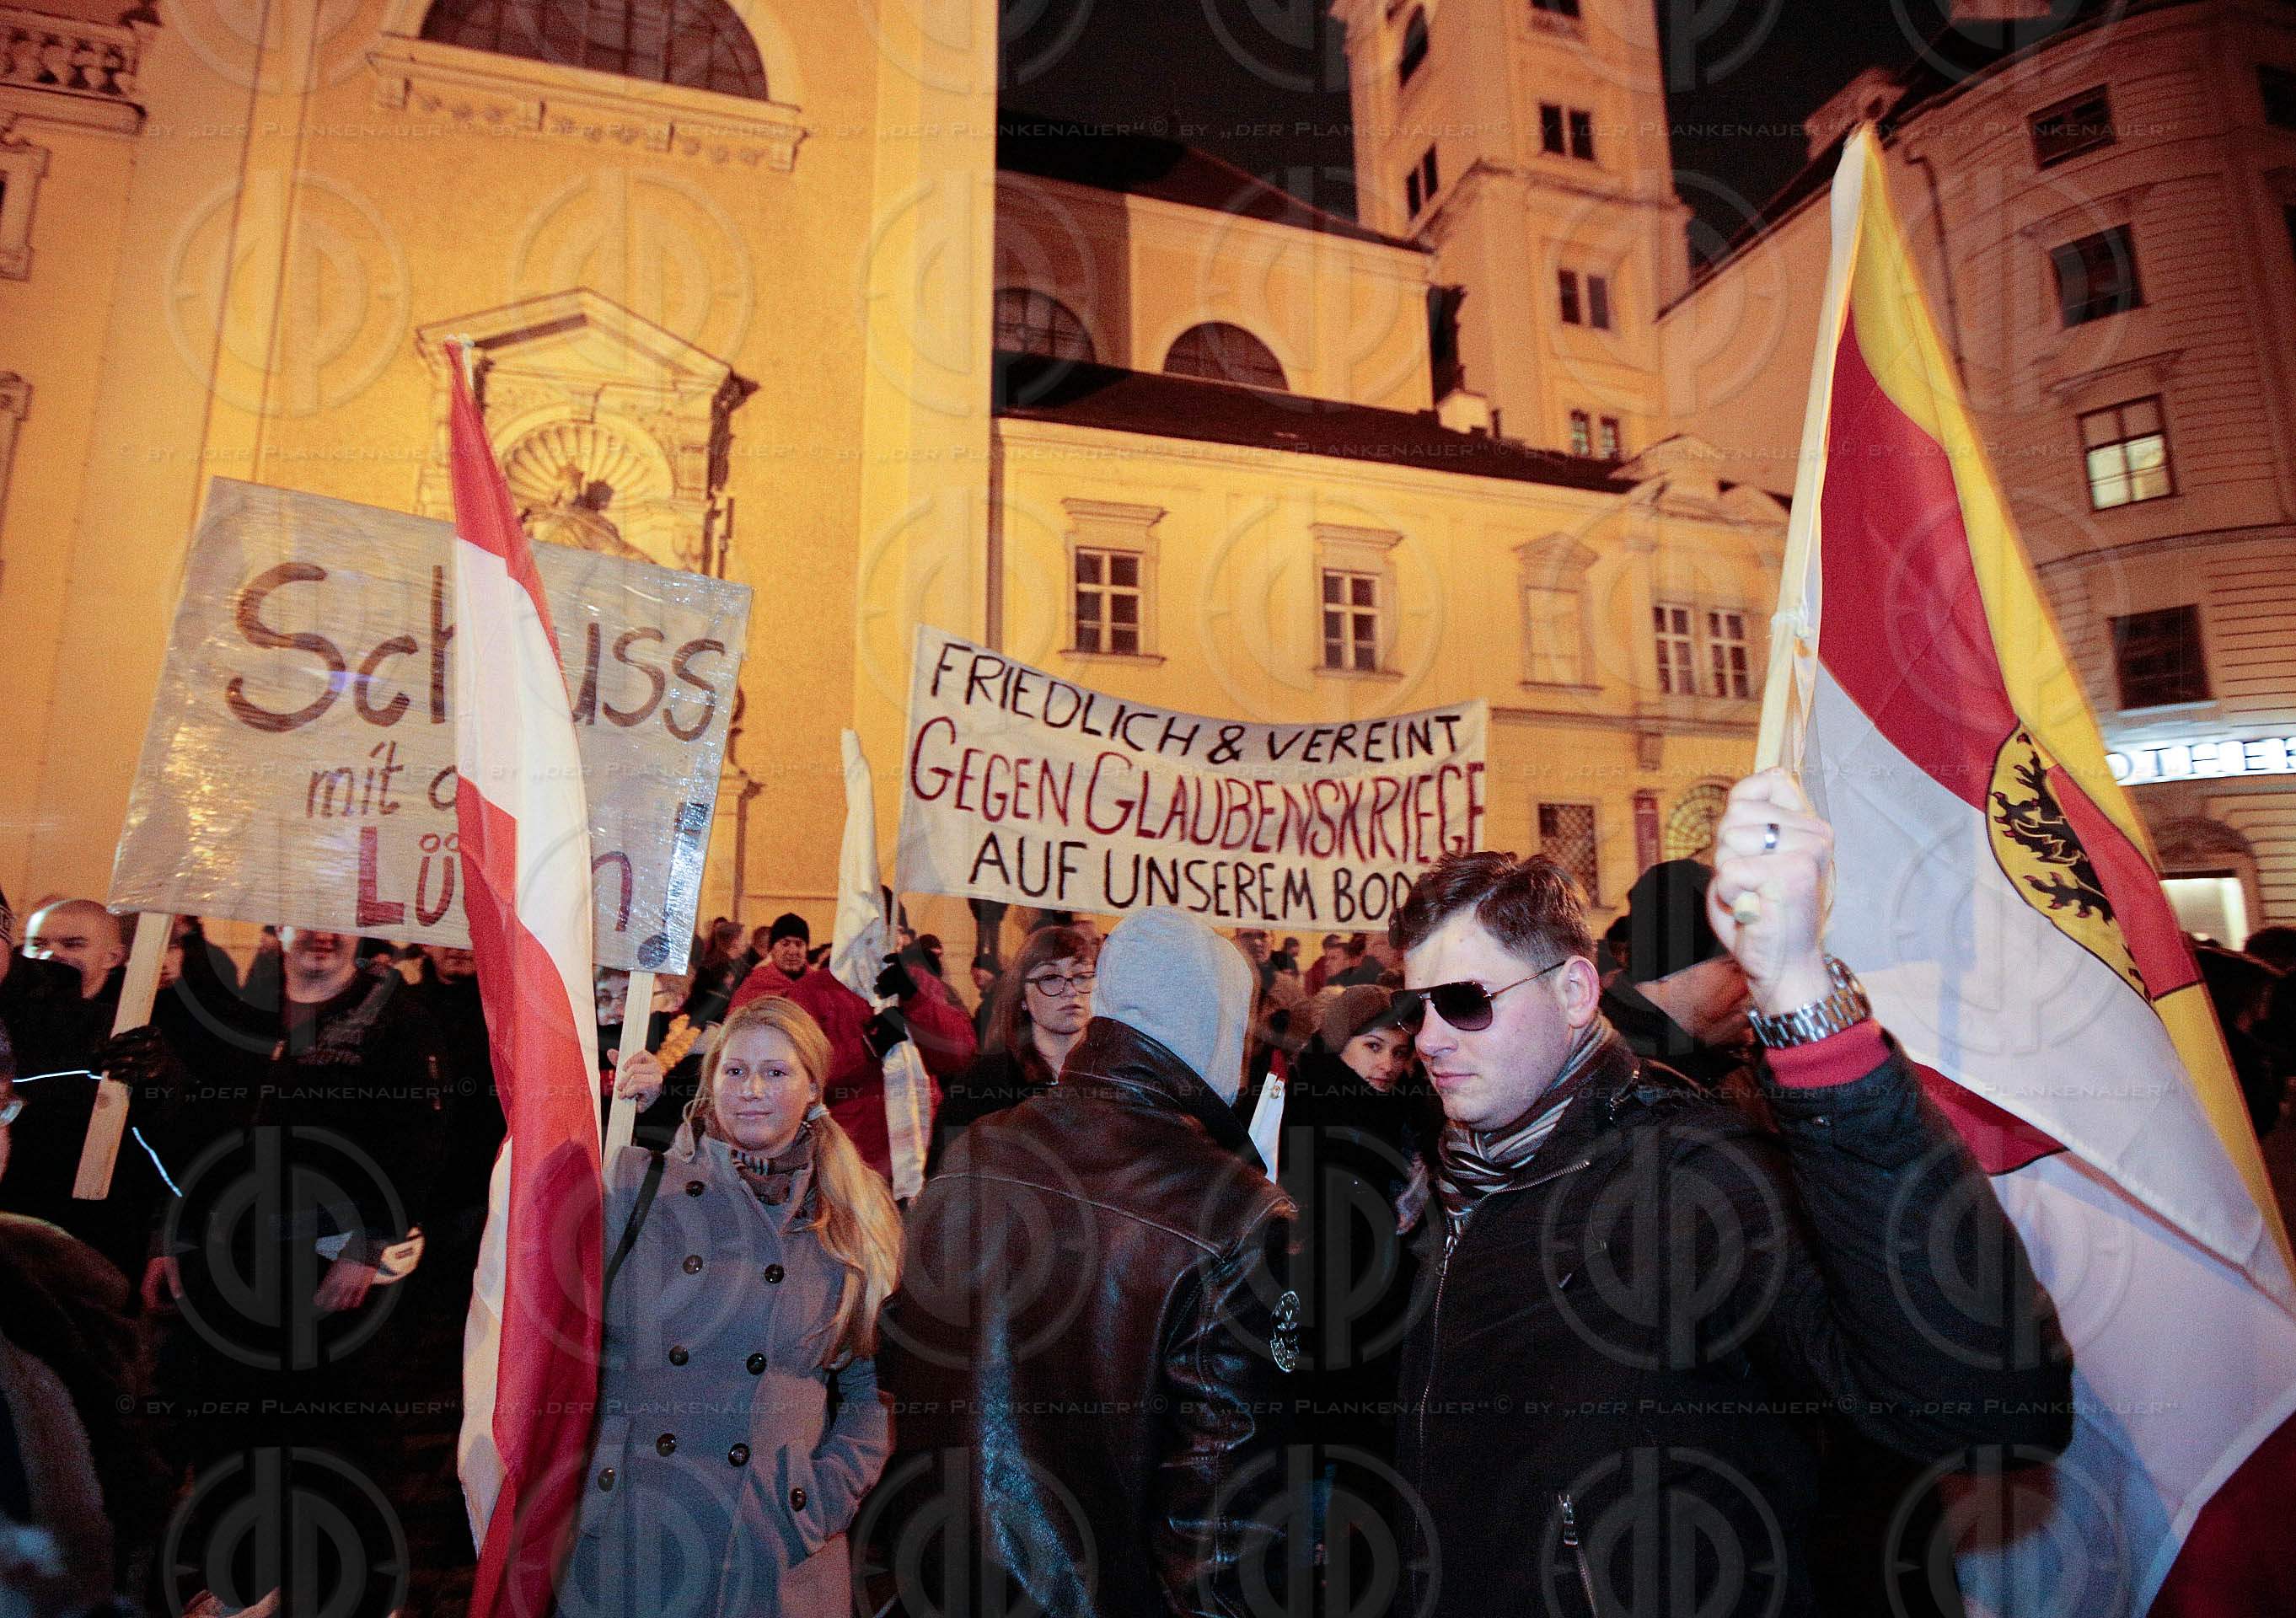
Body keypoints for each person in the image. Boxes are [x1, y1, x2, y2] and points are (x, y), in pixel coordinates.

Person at [1390, 771, 2073, 1618]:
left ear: (1574, 991)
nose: (1427, 1038)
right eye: (1412, 1007)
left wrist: (1796, 990)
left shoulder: (1696, 1174)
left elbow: (1990, 1405)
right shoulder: (1462, 1179)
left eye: (1462, 1002)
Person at [877, 908, 1295, 1618]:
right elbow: (1221, 1524)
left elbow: (896, 1354)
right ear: (1216, 1026)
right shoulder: (1238, 1217)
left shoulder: (981, 1147)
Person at [565, 996, 899, 1616]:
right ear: (710, 1081)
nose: (751, 1090)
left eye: (776, 1073)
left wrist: (815, 1504)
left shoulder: (851, 1218)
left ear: (813, 1091)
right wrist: (608, 1107)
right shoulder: (638, 1183)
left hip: (770, 1542)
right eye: (735, 1071)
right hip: (636, 1525)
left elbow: (870, 1393)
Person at [728, 917, 975, 1181]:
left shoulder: (919, 983)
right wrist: (867, 1048)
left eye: (890, 929)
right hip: (847, 1157)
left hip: (916, 1153)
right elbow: (795, 1074)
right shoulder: (813, 990)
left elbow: (959, 1055)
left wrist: (916, 1000)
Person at [927, 925, 1092, 1171]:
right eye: (1050, 978)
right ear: (1023, 997)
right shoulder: (982, 1083)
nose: (1070, 990)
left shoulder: (1118, 1077)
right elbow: (945, 1179)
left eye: (1082, 976)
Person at [1598, 857, 1760, 1098]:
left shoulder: (1715, 1057)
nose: (1752, 986)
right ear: (1673, 972)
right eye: (1736, 968)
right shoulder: (1618, 1072)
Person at [22, 900, 126, 1002]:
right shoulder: (11, 1002)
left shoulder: (131, 1011)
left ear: (112, 957)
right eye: (38, 945)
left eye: (72, 945)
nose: (49, 954)